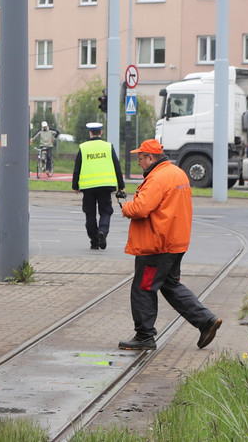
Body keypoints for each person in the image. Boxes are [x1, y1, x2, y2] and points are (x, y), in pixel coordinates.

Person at [118, 139, 221, 351]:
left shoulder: (157, 178)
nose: (139, 162)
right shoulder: (177, 173)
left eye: (140, 158)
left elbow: (140, 209)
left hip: (157, 245)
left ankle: (145, 336)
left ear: (151, 157)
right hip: (175, 242)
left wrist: (126, 206)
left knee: (144, 288)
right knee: (170, 285)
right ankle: (206, 321)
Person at [71, 122, 126, 250]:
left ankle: (94, 241)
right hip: (105, 186)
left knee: (90, 214)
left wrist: (75, 185)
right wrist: (121, 185)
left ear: (90, 133)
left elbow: (77, 167)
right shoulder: (108, 147)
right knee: (106, 211)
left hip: (88, 187)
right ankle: (103, 230)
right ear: (101, 132)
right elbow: (117, 166)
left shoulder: (83, 147)